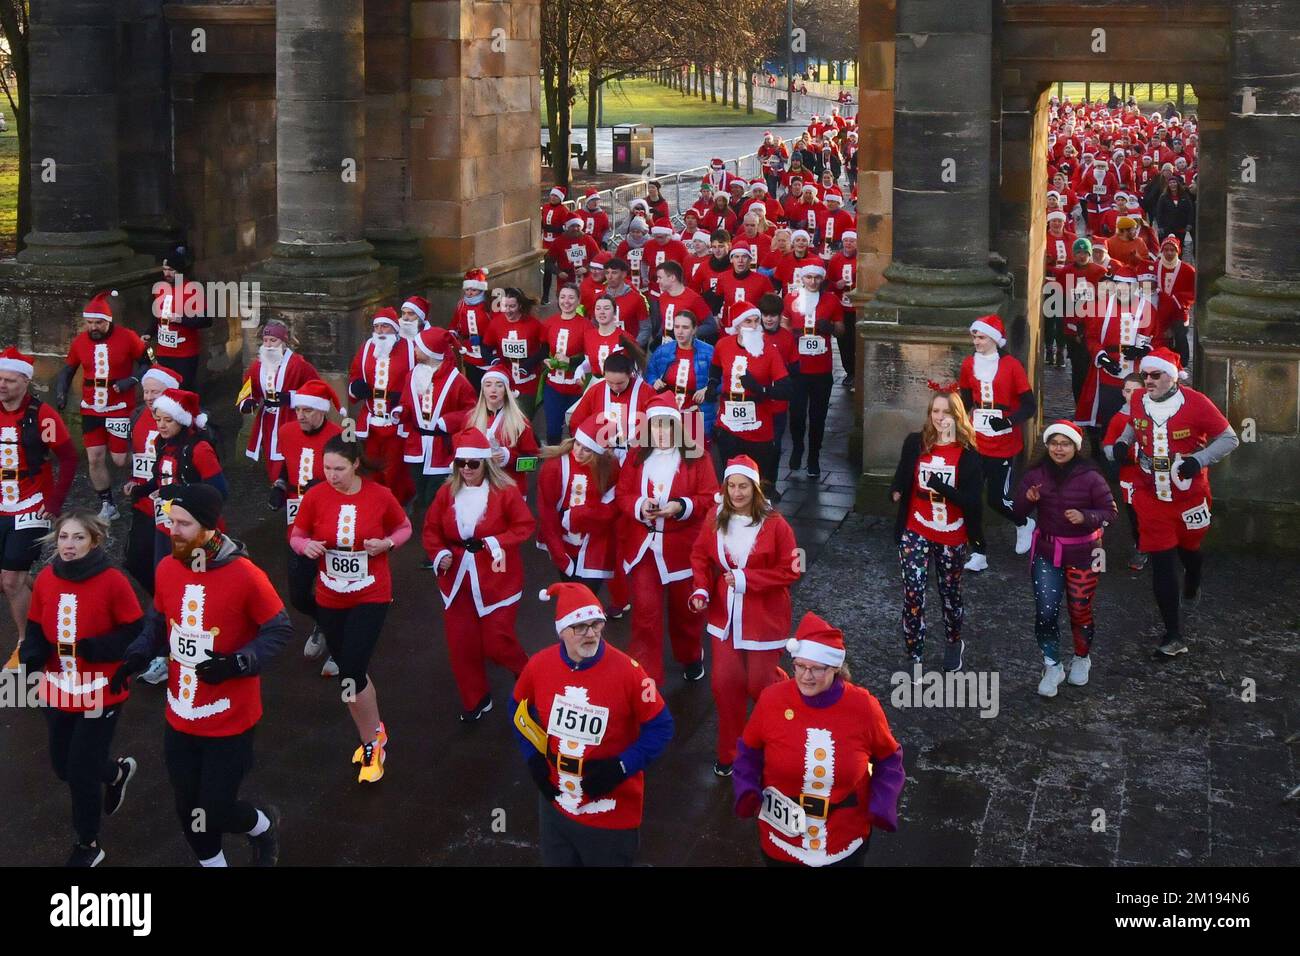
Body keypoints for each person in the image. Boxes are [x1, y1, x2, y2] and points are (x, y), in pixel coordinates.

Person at [112, 483, 290, 867]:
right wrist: (138, 653)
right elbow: (159, 621)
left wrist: (237, 663)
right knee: (186, 805)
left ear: (209, 528)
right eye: (171, 521)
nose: (171, 530)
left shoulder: (245, 574)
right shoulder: (167, 567)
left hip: (230, 717)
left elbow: (279, 629)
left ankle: (262, 826)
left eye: (183, 524)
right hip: (180, 713)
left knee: (216, 808)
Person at [512, 581, 674, 867]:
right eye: (580, 627)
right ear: (562, 631)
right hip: (556, 808)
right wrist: (533, 758)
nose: (591, 634)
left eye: (597, 624)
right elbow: (518, 710)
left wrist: (622, 766)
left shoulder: (630, 673)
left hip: (610, 818)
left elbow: (661, 727)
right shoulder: (538, 666)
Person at [19, 510, 142, 866]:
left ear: (95, 541)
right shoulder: (45, 578)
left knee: (81, 771)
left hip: (102, 689)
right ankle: (117, 772)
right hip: (58, 686)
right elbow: (37, 624)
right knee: (62, 767)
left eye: (78, 538)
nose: (69, 545)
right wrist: (31, 657)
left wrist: (94, 647)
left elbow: (135, 632)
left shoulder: (113, 581)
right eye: (63, 537)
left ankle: (88, 844)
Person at [733, 612, 904, 867]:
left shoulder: (864, 707)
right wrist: (747, 791)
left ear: (835, 668)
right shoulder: (772, 700)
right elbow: (747, 753)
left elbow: (889, 759)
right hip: (781, 843)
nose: (805, 676)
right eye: (800, 666)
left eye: (816, 669)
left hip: (844, 843)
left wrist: (883, 804)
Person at [291, 436, 410, 782]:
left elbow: (404, 528)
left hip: (371, 594)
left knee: (352, 671)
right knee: (350, 670)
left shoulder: (379, 496)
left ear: (356, 464)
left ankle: (371, 743)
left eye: (339, 468)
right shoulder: (315, 496)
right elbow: (297, 534)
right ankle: (376, 730)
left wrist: (386, 543)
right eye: (326, 468)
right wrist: (306, 546)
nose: (332, 475)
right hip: (330, 595)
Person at [1106, 348, 1239, 658]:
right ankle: (1173, 635)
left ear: (1173, 376)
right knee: (1163, 562)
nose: (1148, 381)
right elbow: (1132, 424)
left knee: (1189, 551)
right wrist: (1124, 442)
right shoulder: (1138, 400)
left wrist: (1199, 460)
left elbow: (1230, 438)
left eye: (1155, 375)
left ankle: (1194, 576)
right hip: (1151, 494)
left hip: (1189, 494)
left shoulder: (1197, 403)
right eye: (1144, 376)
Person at [690, 454, 799, 775]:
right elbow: (699, 554)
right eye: (731, 486)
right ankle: (731, 754)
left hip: (764, 617)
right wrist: (700, 589)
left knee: (759, 685)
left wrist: (747, 579)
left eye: (743, 487)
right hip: (724, 616)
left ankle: (777, 730)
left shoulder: (777, 524)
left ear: (755, 488)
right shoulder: (714, 516)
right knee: (725, 683)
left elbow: (793, 569)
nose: (737, 493)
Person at [423, 427, 535, 721]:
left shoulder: (505, 491)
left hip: (498, 577)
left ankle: (529, 674)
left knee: (497, 641)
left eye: (473, 463)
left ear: (485, 462)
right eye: (462, 463)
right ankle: (476, 699)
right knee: (462, 644)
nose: (467, 469)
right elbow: (431, 530)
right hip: (457, 579)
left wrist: (493, 543)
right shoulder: (446, 492)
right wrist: (441, 554)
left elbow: (524, 526)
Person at [616, 396, 717, 686]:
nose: (660, 433)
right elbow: (623, 495)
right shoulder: (636, 457)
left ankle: (689, 655)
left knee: (685, 613)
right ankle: (646, 681)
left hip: (682, 549)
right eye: (655, 427)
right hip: (644, 548)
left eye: (666, 427)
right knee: (645, 614)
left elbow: (710, 498)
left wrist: (680, 506)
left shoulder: (697, 457)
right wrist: (639, 506)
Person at [1011, 421, 1117, 697]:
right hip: (1047, 552)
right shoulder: (1035, 473)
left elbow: (1110, 511)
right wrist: (1028, 499)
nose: (1059, 448)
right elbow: (1018, 510)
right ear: (1047, 445)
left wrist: (1086, 517)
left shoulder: (1092, 476)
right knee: (1046, 612)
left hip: (1088, 552)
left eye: (1065, 443)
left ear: (1076, 447)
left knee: (1080, 609)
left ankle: (1082, 657)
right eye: (1054, 442)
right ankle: (1052, 665)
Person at [889, 387, 982, 671]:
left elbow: (972, 501)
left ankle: (954, 641)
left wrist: (942, 487)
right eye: (935, 412)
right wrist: (896, 489)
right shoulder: (915, 442)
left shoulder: (968, 455)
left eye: (947, 412)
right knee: (913, 593)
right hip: (916, 527)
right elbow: (903, 471)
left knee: (949, 591)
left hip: (951, 533)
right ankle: (914, 653)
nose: (940, 418)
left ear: (958, 417)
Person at [0, 347, 77, 670]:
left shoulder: (42, 414)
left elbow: (69, 457)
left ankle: (25, 644)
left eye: (9, 380)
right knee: (12, 576)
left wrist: (54, 502)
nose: (2, 385)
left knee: (10, 580)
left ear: (25, 381)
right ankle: (48, 599)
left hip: (32, 504)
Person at [269, 379, 343, 671]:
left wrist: (324, 484)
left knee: (336, 588)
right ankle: (324, 623)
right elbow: (288, 463)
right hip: (298, 526)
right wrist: (278, 484)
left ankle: (339, 646)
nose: (300, 415)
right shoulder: (287, 432)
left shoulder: (338, 436)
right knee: (298, 594)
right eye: (298, 409)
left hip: (332, 525)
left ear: (322, 411)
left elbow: (355, 478)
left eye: (308, 410)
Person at [55, 290, 149, 520]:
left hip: (119, 408)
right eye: (89, 323)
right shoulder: (79, 342)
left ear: (108, 321)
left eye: (98, 322)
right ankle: (107, 504)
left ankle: (147, 471)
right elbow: (68, 370)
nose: (93, 327)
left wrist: (132, 380)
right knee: (94, 457)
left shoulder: (128, 337)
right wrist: (61, 392)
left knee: (119, 458)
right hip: (90, 408)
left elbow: (148, 364)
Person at [957, 315, 1036, 571]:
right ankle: (978, 552)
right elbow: (966, 400)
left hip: (1003, 442)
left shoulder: (1012, 365)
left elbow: (1029, 406)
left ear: (993, 339)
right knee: (970, 498)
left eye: (980, 337)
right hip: (976, 440)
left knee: (996, 500)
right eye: (974, 337)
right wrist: (953, 420)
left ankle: (1024, 523)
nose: (976, 341)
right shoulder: (969, 364)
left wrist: (1008, 422)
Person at [706, 303, 790, 494]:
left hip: (758, 427)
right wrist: (712, 383)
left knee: (755, 481)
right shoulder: (723, 345)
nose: (753, 326)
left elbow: (786, 389)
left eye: (756, 321)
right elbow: (716, 366)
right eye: (748, 321)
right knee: (730, 479)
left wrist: (759, 388)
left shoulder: (768, 350)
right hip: (728, 424)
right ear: (737, 326)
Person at [537, 413, 622, 593]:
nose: (578, 452)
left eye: (587, 449)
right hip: (564, 542)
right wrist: (560, 555)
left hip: (595, 542)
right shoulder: (554, 466)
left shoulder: (611, 468)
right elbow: (546, 513)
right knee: (572, 597)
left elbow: (614, 505)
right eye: (577, 444)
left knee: (588, 596)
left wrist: (584, 514)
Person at [397, 327, 476, 514]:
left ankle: (434, 530)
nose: (414, 350)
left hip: (442, 448)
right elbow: (406, 402)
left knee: (436, 495)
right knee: (419, 490)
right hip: (416, 446)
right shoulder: (412, 375)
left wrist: (448, 421)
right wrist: (400, 411)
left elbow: (471, 411)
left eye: (418, 347)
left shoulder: (457, 381)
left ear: (430, 350)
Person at [121, 365, 182, 598]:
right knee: (135, 560)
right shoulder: (137, 417)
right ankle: (162, 601)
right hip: (143, 504)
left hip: (171, 507)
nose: (148, 397)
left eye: (154, 392)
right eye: (145, 391)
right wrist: (132, 482)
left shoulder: (182, 420)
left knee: (172, 561)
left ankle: (171, 606)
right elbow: (138, 458)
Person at [441, 365, 541, 498]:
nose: (493, 390)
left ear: (506, 390)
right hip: (477, 489)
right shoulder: (470, 419)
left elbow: (532, 463)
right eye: (488, 385)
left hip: (509, 491)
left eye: (499, 385)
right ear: (483, 389)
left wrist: (507, 457)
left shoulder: (520, 423)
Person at [782, 263, 843, 478]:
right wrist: (792, 337)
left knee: (818, 416)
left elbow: (841, 330)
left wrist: (832, 328)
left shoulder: (831, 300)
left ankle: (813, 457)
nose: (812, 282)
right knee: (797, 415)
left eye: (816, 278)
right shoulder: (790, 299)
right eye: (808, 277)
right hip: (798, 367)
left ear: (822, 279)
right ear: (802, 278)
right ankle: (798, 447)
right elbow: (785, 324)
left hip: (822, 369)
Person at [237, 321, 319, 480]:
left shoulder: (299, 365)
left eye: (273, 340)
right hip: (268, 419)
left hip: (291, 418)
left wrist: (293, 397)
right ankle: (276, 487)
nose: (268, 344)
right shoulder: (257, 366)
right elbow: (248, 387)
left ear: (284, 342)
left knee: (290, 458)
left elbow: (317, 388)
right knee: (271, 457)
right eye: (265, 340)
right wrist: (248, 401)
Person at [349, 308, 415, 505]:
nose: (380, 331)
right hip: (371, 422)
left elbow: (421, 380)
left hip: (396, 422)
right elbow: (354, 374)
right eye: (376, 327)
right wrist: (356, 387)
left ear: (394, 328)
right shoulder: (367, 347)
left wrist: (404, 398)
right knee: (370, 467)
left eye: (385, 326)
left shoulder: (410, 349)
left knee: (394, 470)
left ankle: (395, 507)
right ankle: (373, 505)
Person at [568, 351, 651, 467]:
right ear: (604, 375)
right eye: (610, 382)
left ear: (630, 374)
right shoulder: (596, 391)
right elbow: (577, 422)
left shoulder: (646, 392)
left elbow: (657, 425)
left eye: (620, 383)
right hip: (600, 454)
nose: (615, 387)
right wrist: (591, 446)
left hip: (635, 455)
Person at [645, 309, 716, 445]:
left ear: (694, 329)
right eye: (676, 327)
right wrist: (654, 381)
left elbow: (722, 379)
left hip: (695, 413)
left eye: (685, 327)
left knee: (692, 457)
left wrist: (708, 388)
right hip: (668, 412)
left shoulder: (708, 352)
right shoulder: (663, 351)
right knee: (667, 454)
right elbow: (650, 373)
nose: (680, 331)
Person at [1102, 373, 1147, 570]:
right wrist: (1117, 453)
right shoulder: (1119, 418)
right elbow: (1108, 444)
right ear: (1123, 393)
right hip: (1129, 475)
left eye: (1136, 390)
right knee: (1134, 514)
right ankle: (1140, 546)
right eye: (1128, 391)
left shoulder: (1152, 413)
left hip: (1151, 475)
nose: (1132, 395)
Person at [150, 243, 210, 390]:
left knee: (183, 391)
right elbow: (156, 316)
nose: (167, 273)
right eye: (164, 269)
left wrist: (180, 319)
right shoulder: (160, 289)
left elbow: (206, 320)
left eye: (171, 270)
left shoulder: (193, 290)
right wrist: (148, 333)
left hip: (185, 353)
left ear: (180, 271)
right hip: (163, 351)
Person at [482, 288, 547, 421]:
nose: (508, 310)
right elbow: (485, 348)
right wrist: (494, 361)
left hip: (528, 382)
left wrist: (529, 364)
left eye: (512, 306)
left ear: (520, 306)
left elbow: (545, 349)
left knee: (524, 420)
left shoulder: (533, 324)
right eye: (505, 306)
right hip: (505, 382)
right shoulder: (496, 323)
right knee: (504, 420)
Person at [540, 285, 589, 445]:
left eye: (571, 297)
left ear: (578, 301)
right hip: (553, 386)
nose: (566, 301)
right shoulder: (549, 323)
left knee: (576, 429)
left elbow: (590, 356)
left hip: (576, 387)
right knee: (553, 430)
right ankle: (554, 465)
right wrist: (545, 360)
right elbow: (543, 349)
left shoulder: (586, 325)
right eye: (562, 297)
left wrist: (571, 360)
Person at [641, 261, 715, 350]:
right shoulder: (663, 297)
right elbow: (666, 320)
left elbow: (711, 326)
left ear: (672, 278)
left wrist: (687, 333)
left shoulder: (693, 299)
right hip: (667, 348)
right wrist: (659, 337)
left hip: (687, 348)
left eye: (660, 277)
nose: (657, 281)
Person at [450, 268, 493, 389]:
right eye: (467, 289)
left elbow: (496, 328)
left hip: (487, 350)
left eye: (473, 290)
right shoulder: (461, 304)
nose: (469, 293)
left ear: (481, 289)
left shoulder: (488, 305)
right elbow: (454, 324)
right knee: (473, 385)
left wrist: (484, 339)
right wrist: (452, 334)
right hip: (468, 351)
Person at [826, 230, 858, 388]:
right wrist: (836, 285)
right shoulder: (836, 259)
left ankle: (860, 370)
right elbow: (828, 281)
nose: (849, 244)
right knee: (843, 340)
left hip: (857, 307)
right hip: (841, 306)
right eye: (846, 241)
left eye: (852, 241)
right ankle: (850, 371)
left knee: (856, 340)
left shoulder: (861, 259)